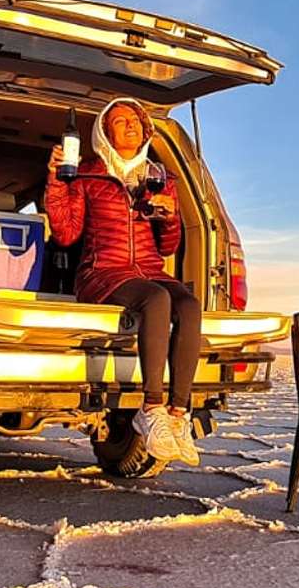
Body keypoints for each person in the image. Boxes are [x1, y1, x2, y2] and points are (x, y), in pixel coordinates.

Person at [43, 97, 202, 466]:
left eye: (135, 120)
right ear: (103, 132)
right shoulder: (86, 175)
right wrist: (55, 182)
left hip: (149, 268)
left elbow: (168, 246)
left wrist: (170, 217)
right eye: (119, 121)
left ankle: (178, 416)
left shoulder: (159, 178)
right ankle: (151, 408)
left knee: (190, 306)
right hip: (102, 272)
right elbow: (66, 234)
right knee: (157, 300)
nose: (130, 125)